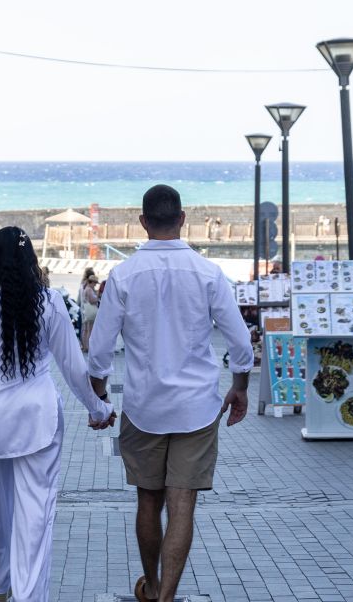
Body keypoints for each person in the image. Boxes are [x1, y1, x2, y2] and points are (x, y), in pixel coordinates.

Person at [88, 184, 253, 602]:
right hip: (198, 407)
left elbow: (100, 349)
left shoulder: (123, 276)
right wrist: (239, 387)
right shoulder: (208, 273)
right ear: (183, 219)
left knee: (148, 500)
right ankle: (166, 598)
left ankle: (154, 583)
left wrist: (99, 397)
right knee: (183, 505)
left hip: (144, 406)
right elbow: (241, 343)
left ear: (142, 222)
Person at [0, 227, 113, 602]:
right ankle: (27, 596)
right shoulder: (50, 302)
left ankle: (2, 586)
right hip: (37, 419)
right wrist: (98, 409)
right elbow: (72, 366)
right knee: (35, 516)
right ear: (31, 259)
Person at [79, 274, 99, 352]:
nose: (95, 285)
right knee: (89, 329)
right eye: (95, 283)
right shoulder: (89, 289)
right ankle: (88, 347)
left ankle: (84, 346)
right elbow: (92, 300)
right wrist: (98, 297)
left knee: (85, 329)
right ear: (92, 282)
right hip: (90, 312)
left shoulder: (85, 288)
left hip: (86, 311)